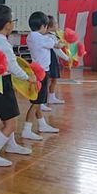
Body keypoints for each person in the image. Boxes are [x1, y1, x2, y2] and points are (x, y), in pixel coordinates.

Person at [0, 5, 35, 167]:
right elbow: (12, 67)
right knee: (11, 123)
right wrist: (28, 77)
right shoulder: (3, 44)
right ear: (7, 25)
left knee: (9, 119)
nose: (13, 23)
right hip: (1, 84)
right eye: (12, 20)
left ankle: (11, 145)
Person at [23, 11, 61, 140]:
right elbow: (56, 44)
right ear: (44, 26)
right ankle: (26, 129)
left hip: (38, 71)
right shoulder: (41, 38)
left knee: (38, 102)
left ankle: (42, 124)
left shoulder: (31, 36)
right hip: (41, 72)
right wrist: (63, 42)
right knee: (36, 103)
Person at [46, 15, 69, 105]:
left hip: (53, 59)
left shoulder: (54, 35)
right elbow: (57, 49)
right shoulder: (49, 36)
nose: (57, 25)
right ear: (50, 26)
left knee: (54, 79)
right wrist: (66, 58)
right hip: (50, 60)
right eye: (55, 23)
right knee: (49, 80)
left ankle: (51, 97)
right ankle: (43, 100)